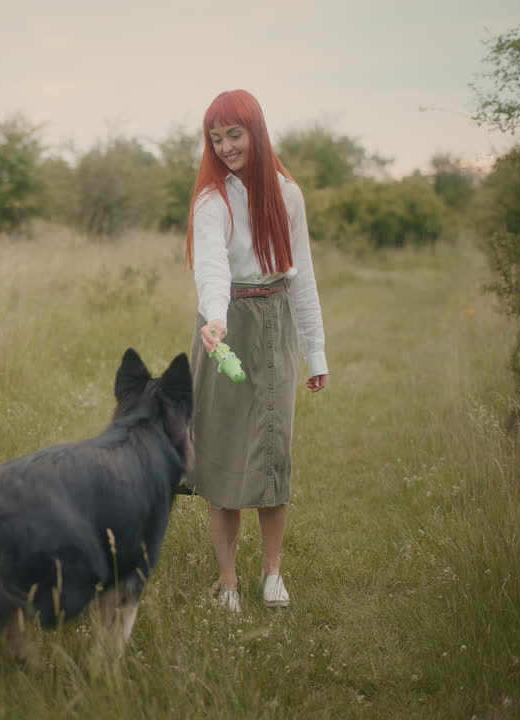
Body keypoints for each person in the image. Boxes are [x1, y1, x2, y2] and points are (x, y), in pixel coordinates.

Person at [180, 89, 328, 612]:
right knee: (222, 453)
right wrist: (216, 316)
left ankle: (271, 575)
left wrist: (317, 353)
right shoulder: (210, 199)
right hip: (225, 326)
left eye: (234, 134)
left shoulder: (287, 194)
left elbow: (302, 276)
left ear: (256, 131)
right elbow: (212, 268)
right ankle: (228, 586)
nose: (224, 147)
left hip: (277, 321)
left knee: (273, 450)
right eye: (216, 138)